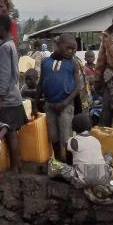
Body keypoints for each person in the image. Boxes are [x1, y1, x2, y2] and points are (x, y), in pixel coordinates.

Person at [0, 14, 26, 173]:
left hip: (6, 100)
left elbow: (4, 76)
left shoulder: (4, 48)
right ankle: (17, 165)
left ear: (0, 29)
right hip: (12, 96)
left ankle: (16, 167)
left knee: (9, 132)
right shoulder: (10, 45)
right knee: (12, 133)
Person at [38, 34, 83, 162]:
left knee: (66, 137)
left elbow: (78, 86)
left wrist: (65, 102)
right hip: (50, 105)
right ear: (58, 46)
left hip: (66, 106)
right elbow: (41, 82)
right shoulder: (45, 62)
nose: (71, 51)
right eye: (68, 48)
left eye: (74, 49)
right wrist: (36, 101)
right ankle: (58, 162)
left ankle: (69, 163)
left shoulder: (73, 64)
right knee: (53, 137)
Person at [47, 113, 111, 189]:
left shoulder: (73, 141)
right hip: (103, 179)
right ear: (90, 127)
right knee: (107, 156)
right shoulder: (96, 140)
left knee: (54, 164)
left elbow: (65, 145)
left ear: (73, 128)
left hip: (83, 181)